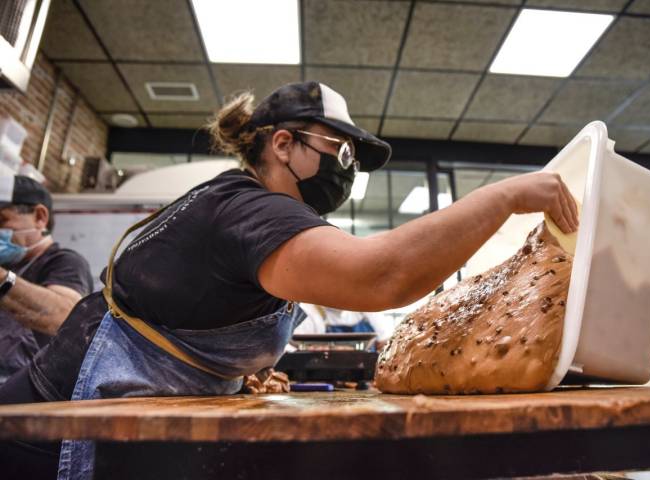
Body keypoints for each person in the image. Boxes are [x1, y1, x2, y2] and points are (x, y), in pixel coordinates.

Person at [0, 81, 578, 479]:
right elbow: (385, 275)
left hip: (89, 412)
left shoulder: (236, 203)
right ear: (283, 144)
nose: (346, 168)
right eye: (338, 149)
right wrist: (503, 196)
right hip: (48, 431)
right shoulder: (251, 210)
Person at [0, 175, 93, 384]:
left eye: (2, 220)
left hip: (24, 395)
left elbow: (64, 316)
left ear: (40, 217)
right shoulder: (9, 265)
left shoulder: (65, 263)